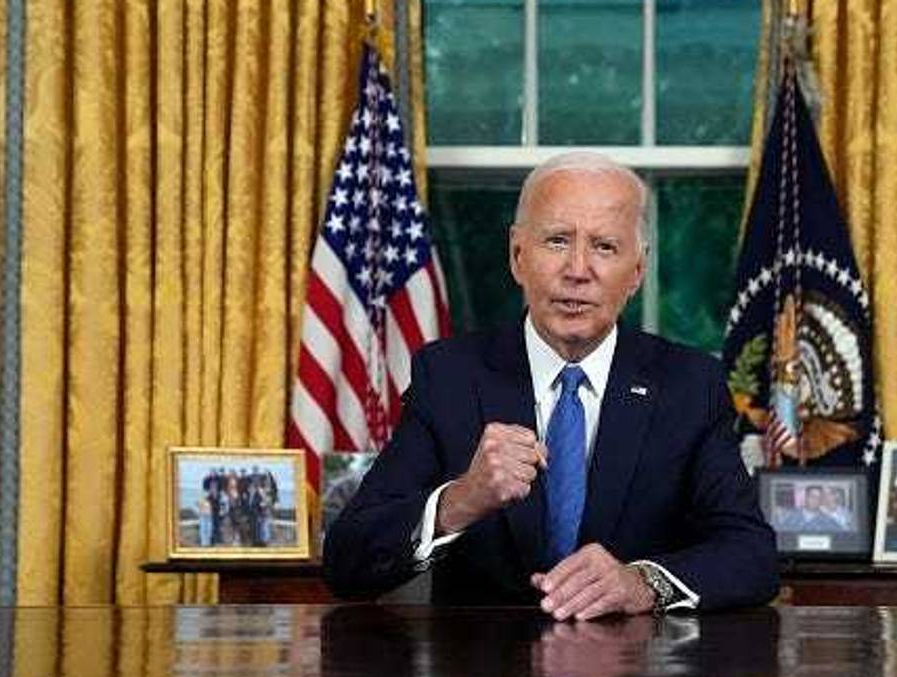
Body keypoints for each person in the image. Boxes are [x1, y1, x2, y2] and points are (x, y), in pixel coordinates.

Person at [324, 152, 778, 619]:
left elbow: (752, 555)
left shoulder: (689, 385)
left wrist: (642, 583)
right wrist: (460, 501)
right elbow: (347, 563)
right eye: (557, 241)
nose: (578, 269)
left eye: (604, 247)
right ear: (518, 256)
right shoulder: (449, 377)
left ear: (637, 272)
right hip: (482, 675)